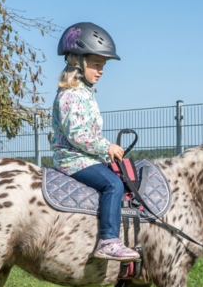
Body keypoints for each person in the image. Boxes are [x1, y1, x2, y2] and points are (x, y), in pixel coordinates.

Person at [50, 22, 140, 262]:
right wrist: (106, 147)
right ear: (77, 62)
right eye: (97, 65)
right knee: (113, 184)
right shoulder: (70, 95)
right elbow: (77, 135)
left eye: (103, 66)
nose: (101, 71)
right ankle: (108, 240)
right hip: (72, 159)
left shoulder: (85, 93)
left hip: (84, 157)